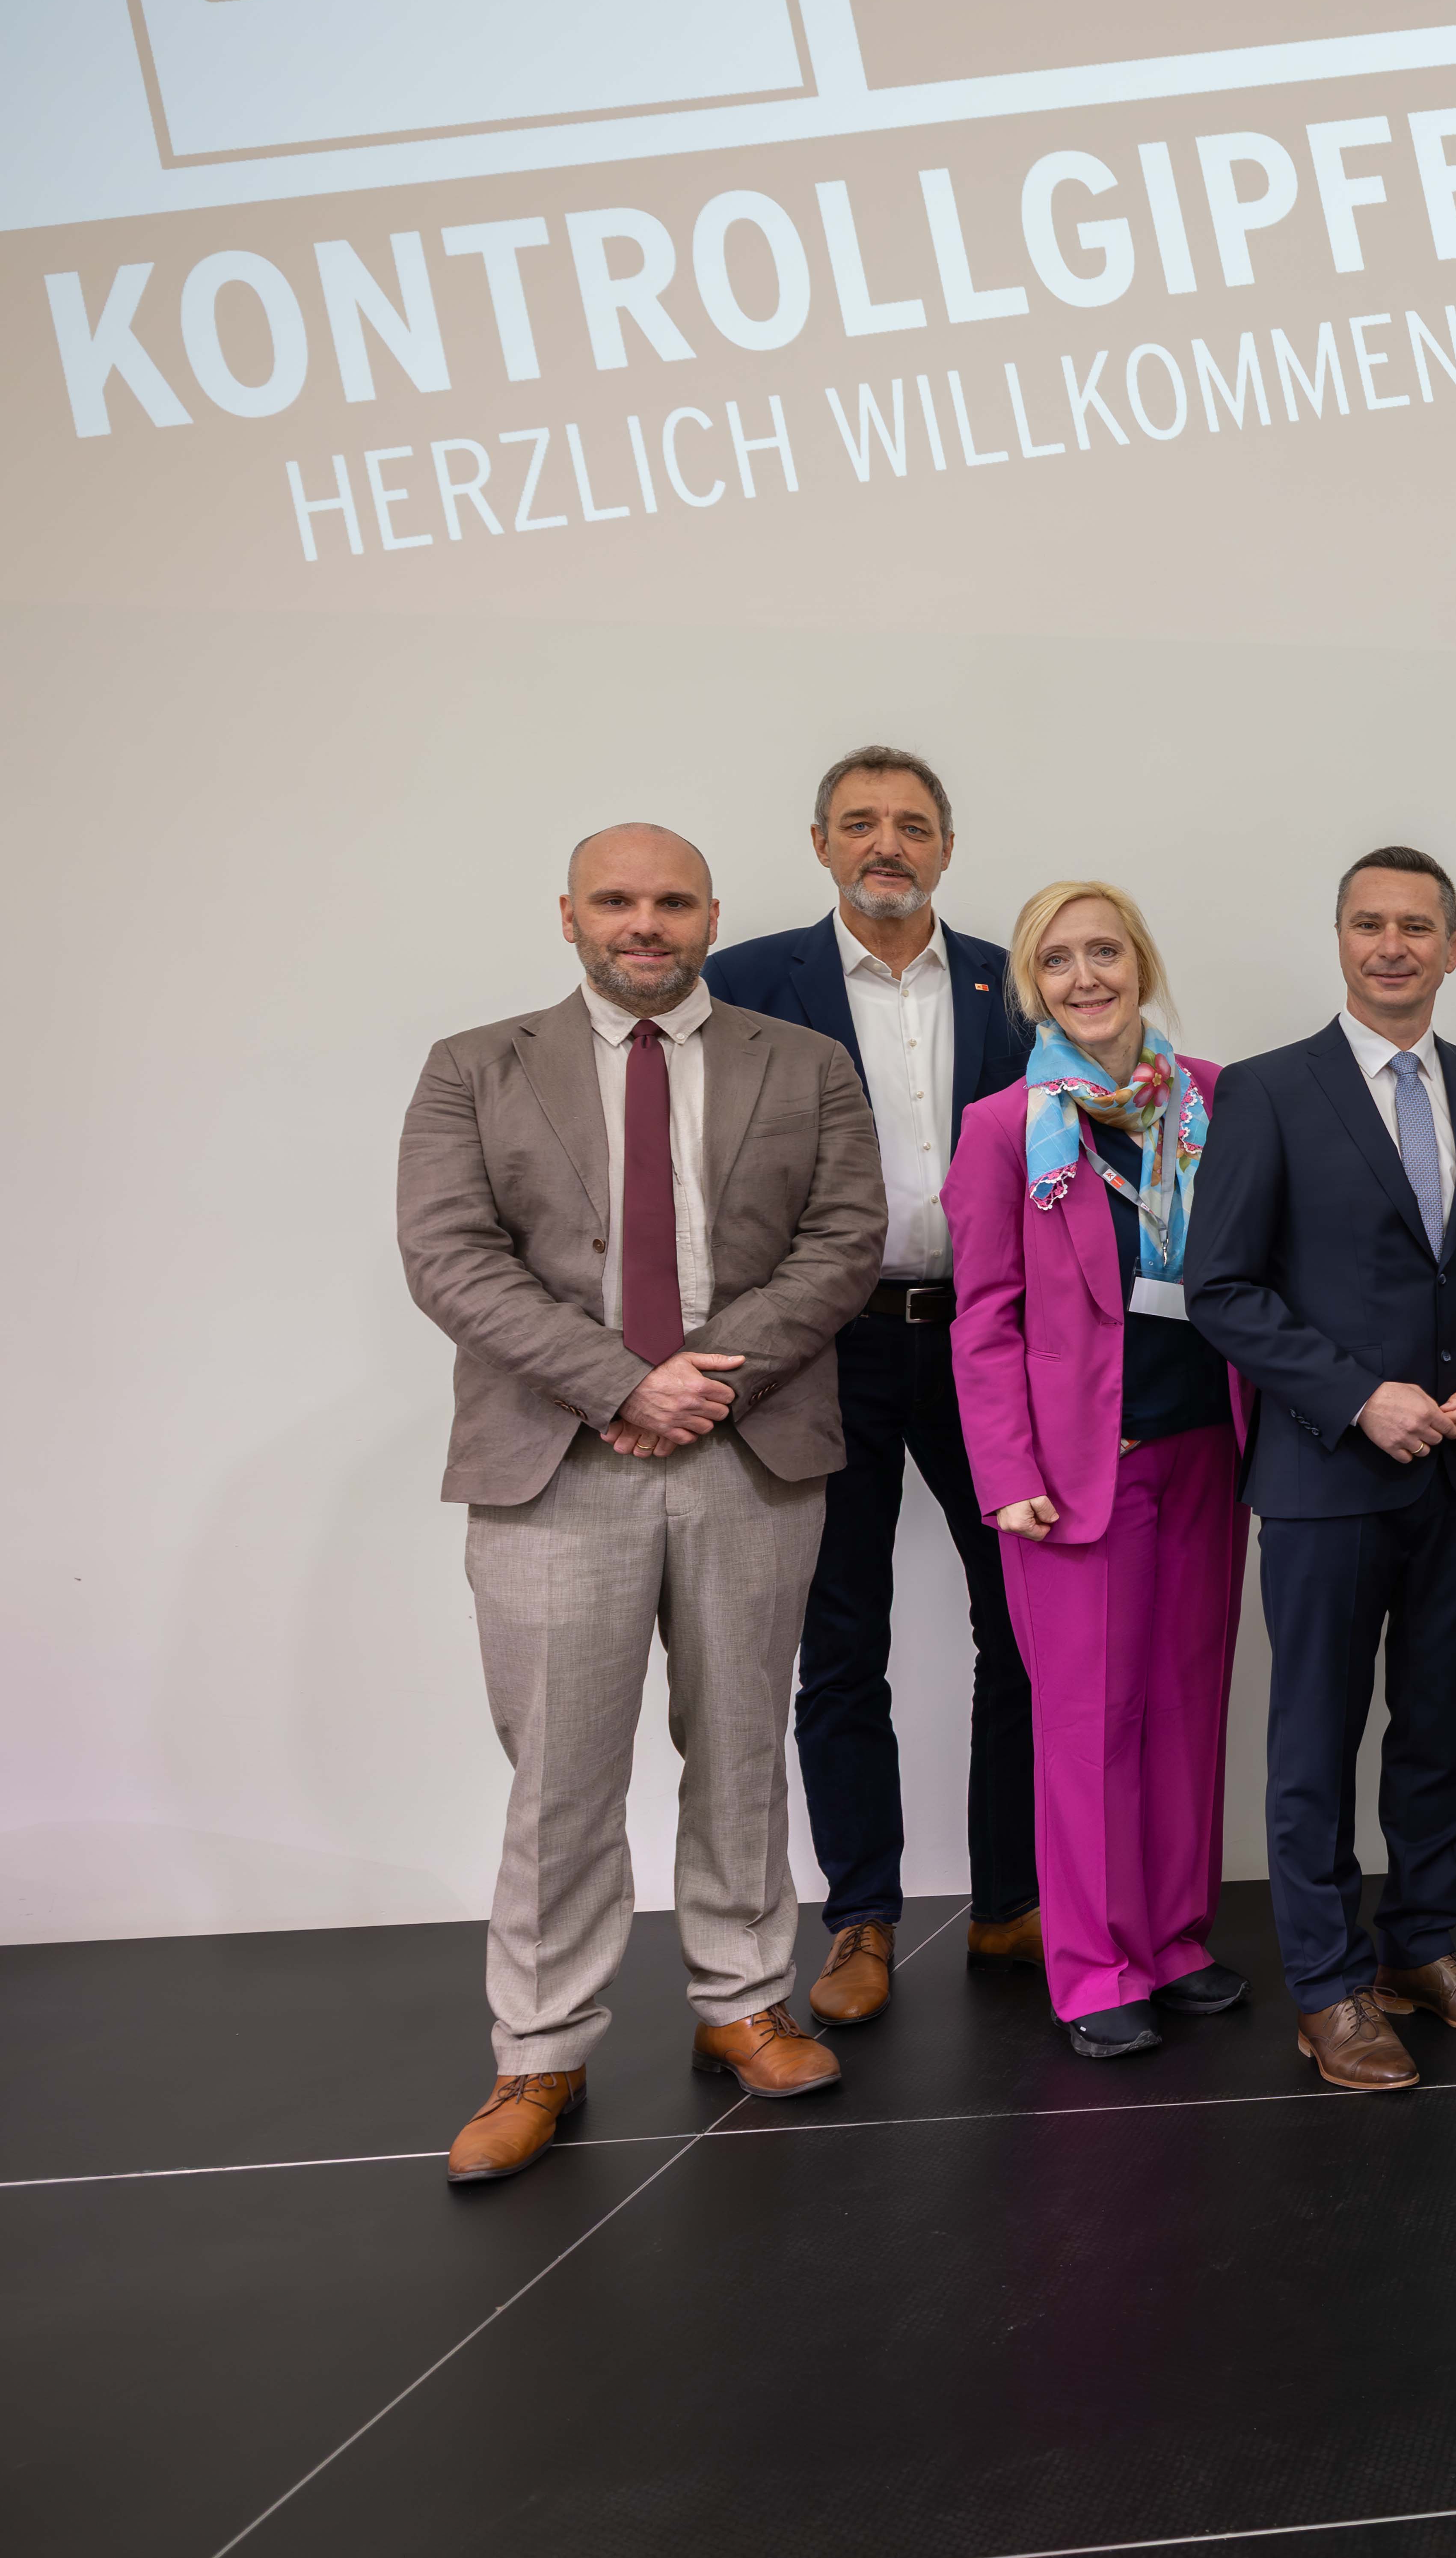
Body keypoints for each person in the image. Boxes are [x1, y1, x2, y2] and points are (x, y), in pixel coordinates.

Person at [401, 824, 883, 2183]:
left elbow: (843, 1242)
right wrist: (621, 1381)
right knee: (560, 1773)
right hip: (557, 1461)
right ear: (568, 915)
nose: (646, 923)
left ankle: (743, 2000)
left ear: (713, 915)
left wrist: (703, 1384)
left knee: (740, 1746)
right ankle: (540, 2046)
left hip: (750, 1448)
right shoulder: (473, 1068)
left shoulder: (808, 1066)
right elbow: (450, 1258)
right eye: (617, 900)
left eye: (672, 900)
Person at [1184, 848, 1456, 2094]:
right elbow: (1220, 1287)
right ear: (1339, 938)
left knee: (1438, 1728)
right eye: (1369, 924)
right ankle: (1331, 1987)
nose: (1393, 945)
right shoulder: (1270, 1091)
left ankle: (1421, 1949)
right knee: (1317, 1742)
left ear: (1455, 945)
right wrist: (1351, 1394)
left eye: (1417, 927)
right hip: (1331, 1476)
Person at [704, 745, 1040, 2029]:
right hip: (822, 1347)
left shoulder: (1020, 984)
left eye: (911, 824)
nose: (885, 843)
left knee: (1016, 1622)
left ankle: (1011, 1899)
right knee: (838, 1638)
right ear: (820, 843)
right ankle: (861, 1919)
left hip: (985, 1344)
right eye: (861, 824)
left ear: (947, 847)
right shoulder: (748, 987)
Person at [947, 883, 1250, 2059]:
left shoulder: (1211, 1100)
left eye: (1105, 952)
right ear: (1035, 984)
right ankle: (1091, 1965)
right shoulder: (1006, 1125)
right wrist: (1005, 1468)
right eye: (1058, 960)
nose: (1087, 976)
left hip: (1205, 1449)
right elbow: (983, 1319)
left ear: (1142, 962)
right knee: (1087, 1723)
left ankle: (1173, 1938)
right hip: (1076, 1469)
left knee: (1186, 1706)